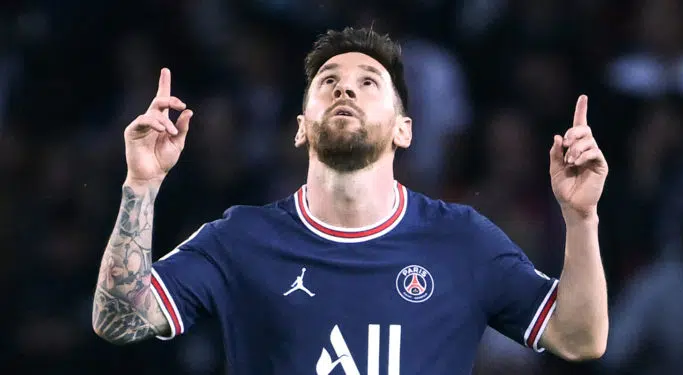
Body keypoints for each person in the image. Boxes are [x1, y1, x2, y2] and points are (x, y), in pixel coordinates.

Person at [92, 27, 609, 374]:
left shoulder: (462, 239)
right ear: (300, 129)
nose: (345, 91)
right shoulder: (239, 239)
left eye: (368, 83)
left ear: (404, 129)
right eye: (329, 82)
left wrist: (581, 218)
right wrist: (141, 184)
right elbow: (120, 318)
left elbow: (580, 338)